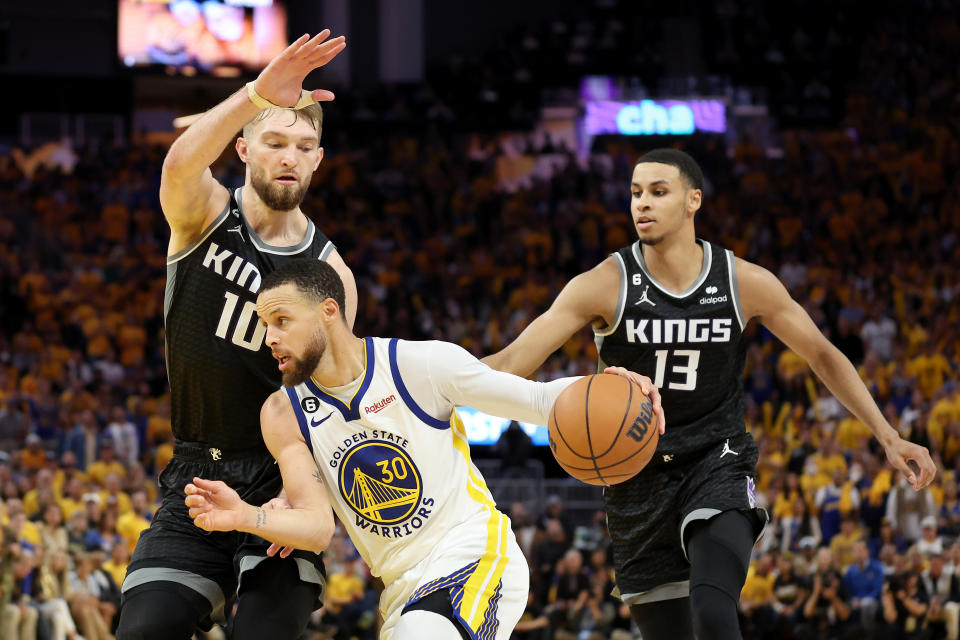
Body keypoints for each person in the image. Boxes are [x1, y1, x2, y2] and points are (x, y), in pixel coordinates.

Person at [481, 148, 936, 640]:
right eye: (635, 193)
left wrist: (888, 436)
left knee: (714, 614)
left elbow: (822, 355)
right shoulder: (604, 285)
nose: (642, 204)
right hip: (636, 476)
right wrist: (416, 377)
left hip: (715, 458)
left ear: (693, 200)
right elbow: (508, 366)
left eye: (658, 192)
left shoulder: (743, 281)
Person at [181, 259, 659, 640]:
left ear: (329, 311)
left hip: (473, 555)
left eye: (282, 320)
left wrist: (612, 390)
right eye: (266, 325)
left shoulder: (420, 364)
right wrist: (242, 515)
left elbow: (534, 399)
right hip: (401, 588)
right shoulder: (282, 411)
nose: (271, 338)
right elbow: (316, 527)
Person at [116, 31, 356, 640]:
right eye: (274, 141)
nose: (289, 158)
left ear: (318, 159)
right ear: (243, 149)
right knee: (144, 630)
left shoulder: (334, 276)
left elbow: (334, 400)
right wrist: (256, 93)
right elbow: (177, 162)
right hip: (196, 471)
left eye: (304, 146)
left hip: (283, 475)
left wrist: (306, 493)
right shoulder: (202, 213)